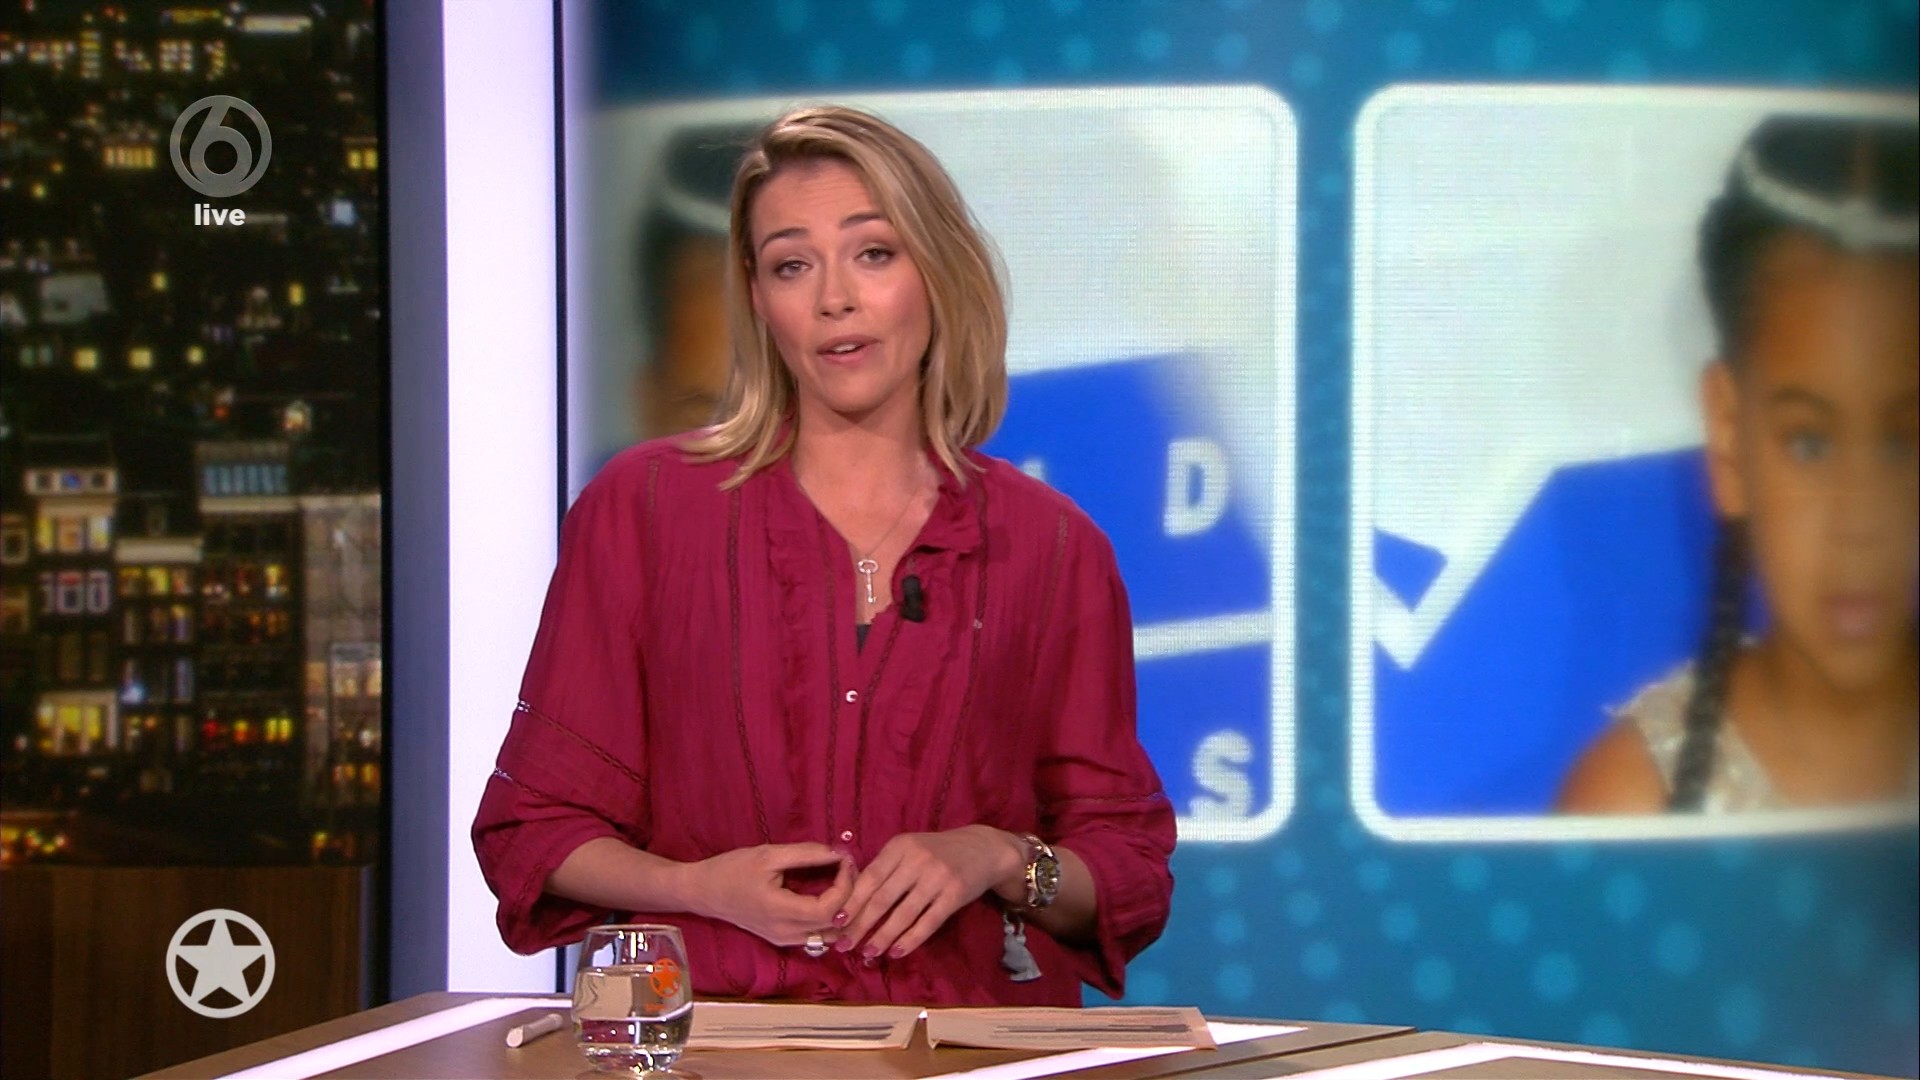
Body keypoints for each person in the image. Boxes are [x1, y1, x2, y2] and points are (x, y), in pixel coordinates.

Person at [473, 105, 1176, 1004]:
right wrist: (699, 890)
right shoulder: (642, 509)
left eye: (873, 253)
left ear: (938, 271)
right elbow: (535, 828)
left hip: (960, 1047)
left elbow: (1125, 870)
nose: (834, 298)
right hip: (716, 1042)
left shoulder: (1051, 546)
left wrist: (998, 856)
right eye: (792, 265)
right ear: (759, 300)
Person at [1559, 114, 1918, 814]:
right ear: (1728, 438)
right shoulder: (1633, 807)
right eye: (1809, 444)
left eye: (1904, 442)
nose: (1861, 523)